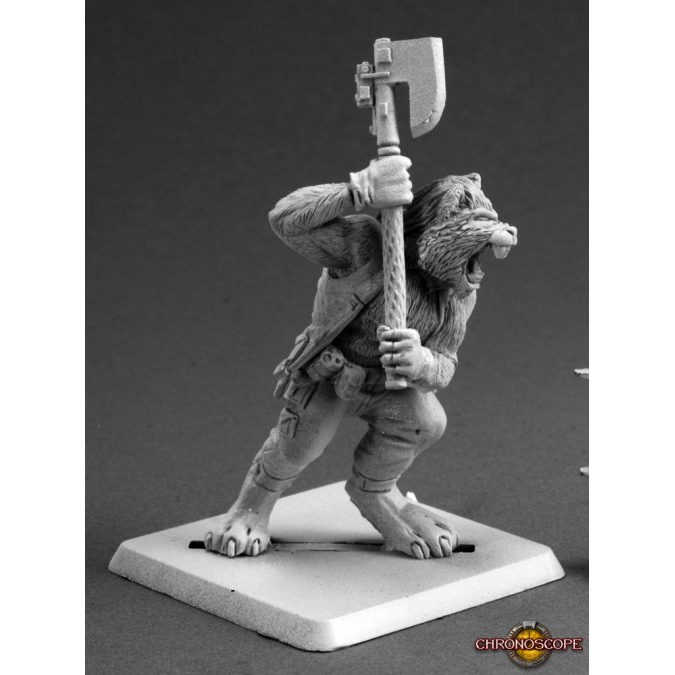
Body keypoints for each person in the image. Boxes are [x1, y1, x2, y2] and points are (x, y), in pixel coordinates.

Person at [205, 155, 517, 559]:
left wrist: (421, 362)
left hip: (386, 386)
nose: (476, 271)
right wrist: (360, 189)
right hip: (331, 373)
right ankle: (249, 508)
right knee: (299, 444)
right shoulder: (369, 245)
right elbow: (286, 220)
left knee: (425, 422)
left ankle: (376, 493)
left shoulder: (457, 295)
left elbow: (445, 363)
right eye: (470, 250)